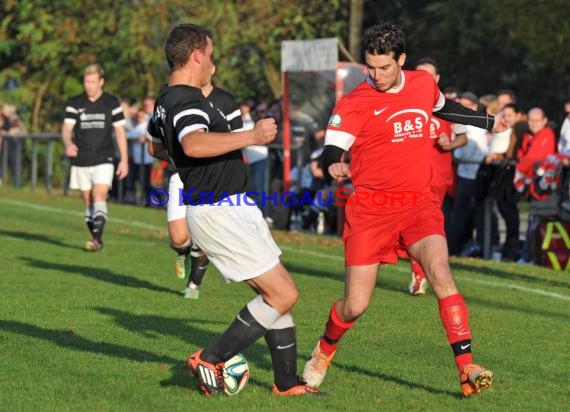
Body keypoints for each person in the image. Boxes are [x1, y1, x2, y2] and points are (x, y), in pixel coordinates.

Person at [302, 22, 507, 397]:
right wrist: (334, 162)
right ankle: (324, 350)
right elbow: (334, 145)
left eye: (384, 67)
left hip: (418, 203)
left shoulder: (422, 85)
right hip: (371, 209)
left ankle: (466, 367)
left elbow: (447, 109)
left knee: (441, 272)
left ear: (402, 60)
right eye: (370, 67)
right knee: (354, 306)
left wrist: (489, 121)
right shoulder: (355, 102)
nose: (376, 76)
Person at [147, 23, 319, 396]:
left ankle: (286, 383)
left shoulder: (166, 99)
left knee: (275, 293)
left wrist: (180, 151)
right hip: (218, 210)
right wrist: (252, 136)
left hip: (230, 206)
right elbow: (191, 144)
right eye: (209, 55)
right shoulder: (186, 98)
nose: (212, 63)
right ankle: (211, 357)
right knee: (283, 294)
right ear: (195, 55)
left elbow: (156, 147)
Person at [155, 63, 244, 299]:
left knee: (203, 234)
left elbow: (235, 139)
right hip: (181, 174)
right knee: (179, 238)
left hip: (212, 177)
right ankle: (182, 251)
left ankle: (193, 286)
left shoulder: (226, 101)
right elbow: (156, 144)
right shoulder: (178, 97)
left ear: (213, 68)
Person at [406, 57, 467, 296]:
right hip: (409, 174)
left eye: (428, 75)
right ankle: (420, 274)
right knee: (412, 222)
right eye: (418, 74)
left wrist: (450, 143)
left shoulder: (448, 105)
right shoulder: (405, 102)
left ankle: (425, 272)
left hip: (438, 176)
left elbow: (463, 136)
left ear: (437, 79)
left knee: (428, 225)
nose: (423, 79)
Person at [61, 64, 128, 251]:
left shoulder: (112, 102)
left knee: (99, 195)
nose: (89, 85)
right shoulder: (75, 103)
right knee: (88, 203)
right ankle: (96, 238)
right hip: (82, 160)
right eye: (86, 81)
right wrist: (68, 144)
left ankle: (96, 239)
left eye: (92, 81)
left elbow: (120, 132)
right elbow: (66, 130)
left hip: (104, 159)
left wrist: (124, 159)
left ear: (101, 82)